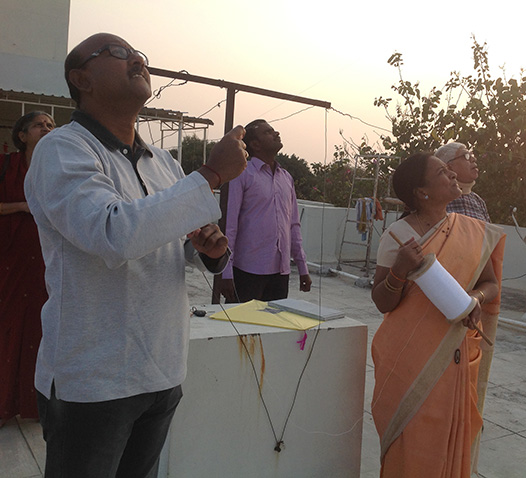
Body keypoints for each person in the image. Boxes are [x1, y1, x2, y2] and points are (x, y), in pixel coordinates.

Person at [24, 33, 248, 478]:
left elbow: (162, 240)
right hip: (94, 380)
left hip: (161, 370)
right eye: (119, 53)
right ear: (81, 78)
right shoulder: (62, 149)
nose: (137, 61)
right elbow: (113, 233)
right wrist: (212, 173)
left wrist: (206, 250)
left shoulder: (161, 161)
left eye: (140, 55)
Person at [370, 152, 505, 477]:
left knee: (451, 442)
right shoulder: (399, 236)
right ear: (422, 192)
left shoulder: (472, 230)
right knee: (412, 444)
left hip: (455, 357)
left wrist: (474, 298)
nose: (453, 176)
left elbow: (490, 284)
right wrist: (400, 269)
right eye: (443, 172)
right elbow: (382, 301)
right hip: (409, 360)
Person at [0, 111, 55, 427]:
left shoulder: (58, 171)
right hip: (8, 262)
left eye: (51, 125)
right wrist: (22, 206)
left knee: (40, 330)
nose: (47, 128)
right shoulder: (6, 166)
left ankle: (32, 405)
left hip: (44, 264)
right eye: (40, 125)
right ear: (22, 135)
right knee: (6, 329)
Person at [219, 119, 312, 303]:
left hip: (280, 273)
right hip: (247, 272)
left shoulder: (286, 178)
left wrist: (303, 268)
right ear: (255, 144)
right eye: (268, 132)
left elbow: (293, 225)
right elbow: (230, 225)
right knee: (244, 328)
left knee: (273, 328)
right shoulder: (242, 175)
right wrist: (226, 273)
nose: (276, 133)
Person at [435, 142, 491, 222]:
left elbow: (489, 233)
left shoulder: (478, 201)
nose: (473, 159)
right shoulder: (437, 199)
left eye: (471, 155)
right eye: (466, 156)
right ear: (449, 166)